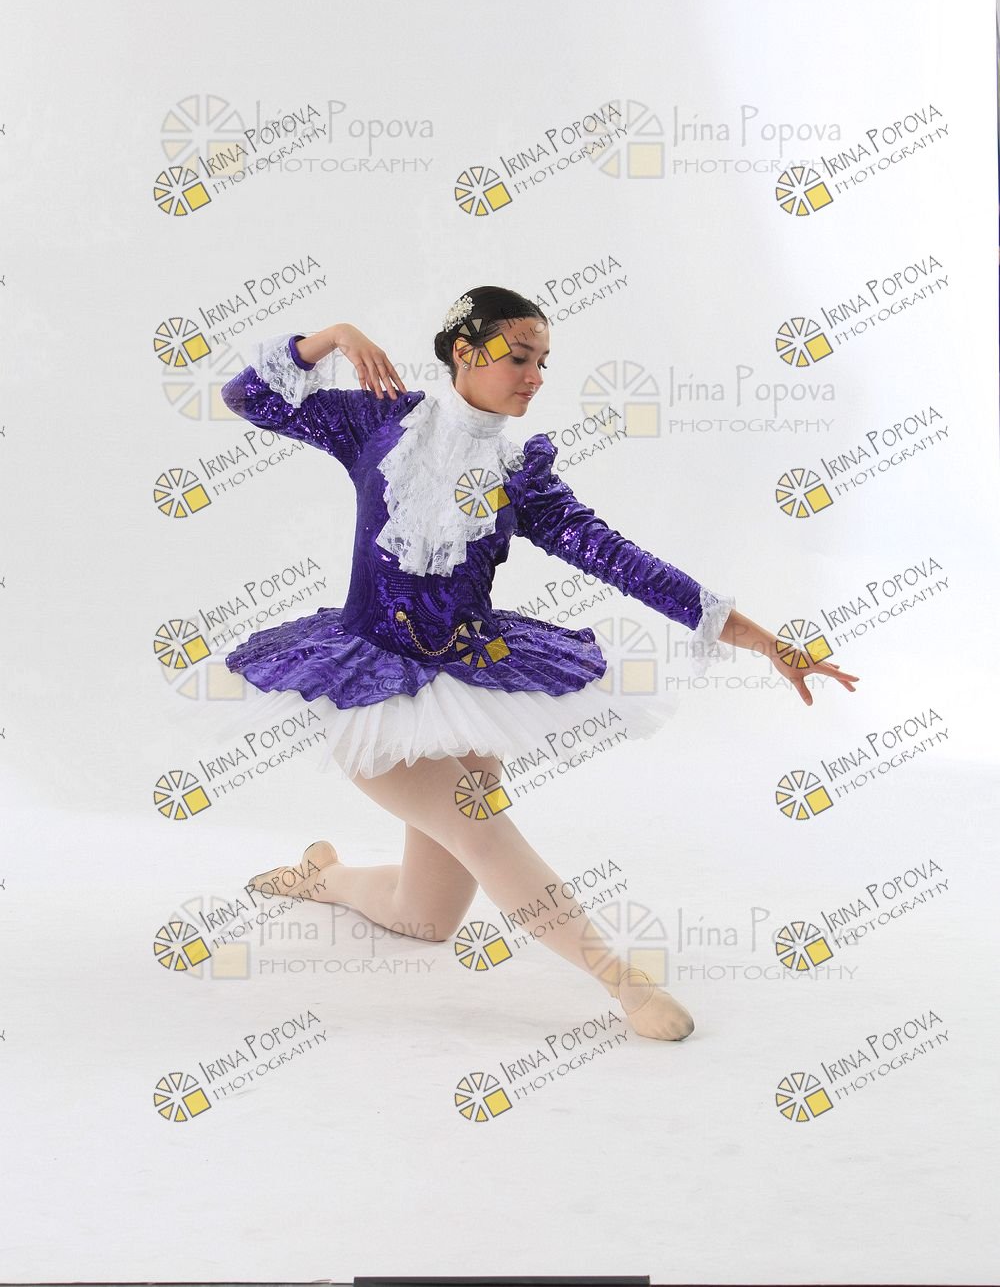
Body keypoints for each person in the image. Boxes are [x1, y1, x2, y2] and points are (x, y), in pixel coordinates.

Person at [216, 286, 859, 1042]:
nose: (536, 377)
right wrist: (330, 337)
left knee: (425, 918)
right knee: (484, 833)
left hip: (467, 685)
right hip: (368, 686)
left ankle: (323, 876)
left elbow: (624, 562)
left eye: (543, 362)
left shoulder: (521, 474)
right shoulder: (379, 422)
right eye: (520, 358)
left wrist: (765, 641)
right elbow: (248, 397)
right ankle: (626, 986)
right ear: (465, 351)